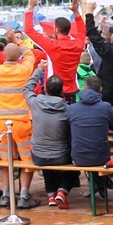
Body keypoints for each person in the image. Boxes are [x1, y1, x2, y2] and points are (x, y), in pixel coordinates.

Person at [0, 21, 37, 208]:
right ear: (18, 57)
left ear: (3, 56)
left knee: (5, 160)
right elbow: (29, 52)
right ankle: (24, 195)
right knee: (27, 160)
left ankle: (5, 194)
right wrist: (16, 39)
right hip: (22, 123)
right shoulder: (24, 69)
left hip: (1, 124)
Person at [24, 66, 73, 208]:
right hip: (60, 155)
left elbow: (27, 89)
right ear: (62, 91)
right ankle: (62, 191)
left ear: (45, 89)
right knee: (77, 161)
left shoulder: (35, 103)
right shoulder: (67, 108)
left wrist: (38, 70)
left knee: (47, 162)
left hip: (38, 154)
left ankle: (51, 194)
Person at [23, 0, 86, 99]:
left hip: (54, 91)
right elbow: (82, 31)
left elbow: (29, 30)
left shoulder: (52, 45)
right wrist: (76, 13)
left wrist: (30, 8)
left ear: (56, 30)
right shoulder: (78, 44)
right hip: (72, 91)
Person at [67, 75, 113, 178]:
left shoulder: (72, 108)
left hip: (78, 158)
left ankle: (98, 185)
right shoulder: (106, 107)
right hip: (101, 157)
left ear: (84, 88)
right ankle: (101, 184)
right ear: (100, 89)